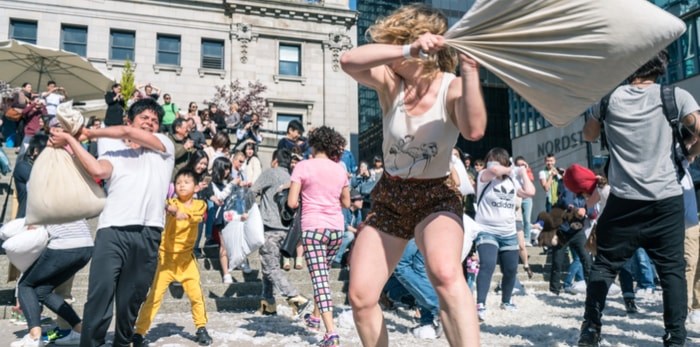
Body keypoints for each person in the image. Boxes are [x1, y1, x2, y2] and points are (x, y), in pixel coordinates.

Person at [339, 4, 486, 346]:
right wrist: (406, 49)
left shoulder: (452, 88)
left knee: (446, 273)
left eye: (396, 45)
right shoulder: (392, 83)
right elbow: (348, 60)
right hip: (390, 197)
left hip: (435, 196)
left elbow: (475, 129)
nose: (390, 57)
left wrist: (470, 68)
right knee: (361, 297)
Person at [578, 50, 698, 347]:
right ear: (660, 68)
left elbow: (589, 136)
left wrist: (598, 115)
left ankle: (590, 329)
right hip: (666, 198)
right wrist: (690, 153)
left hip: (624, 199)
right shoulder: (675, 96)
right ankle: (675, 337)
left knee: (604, 265)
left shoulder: (609, 100)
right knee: (672, 270)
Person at [48, 98, 175, 347]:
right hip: (112, 231)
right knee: (100, 295)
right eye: (144, 118)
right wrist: (73, 140)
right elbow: (98, 170)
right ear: (130, 119)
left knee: (132, 299)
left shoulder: (164, 147)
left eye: (154, 120)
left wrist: (87, 133)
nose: (150, 123)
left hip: (148, 233)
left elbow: (128, 132)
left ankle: (122, 342)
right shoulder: (112, 147)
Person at [132, 169, 212, 347]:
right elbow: (163, 204)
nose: (182, 185)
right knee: (154, 297)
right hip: (166, 259)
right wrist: (171, 209)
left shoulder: (200, 204)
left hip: (186, 260)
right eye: (178, 182)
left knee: (196, 295)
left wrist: (183, 214)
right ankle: (139, 332)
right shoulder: (171, 202)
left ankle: (201, 328)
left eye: (186, 182)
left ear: (196, 186)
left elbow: (197, 217)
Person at [287, 126, 350, 347]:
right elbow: (347, 203)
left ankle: (331, 333)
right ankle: (315, 318)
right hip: (336, 229)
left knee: (320, 279)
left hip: (313, 228)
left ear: (313, 144)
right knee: (322, 274)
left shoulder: (303, 166)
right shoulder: (340, 169)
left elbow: (292, 203)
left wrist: (307, 196)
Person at [473, 147, 535, 321]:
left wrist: (522, 173)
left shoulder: (511, 180)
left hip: (508, 232)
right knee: (488, 264)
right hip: (486, 229)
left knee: (510, 269)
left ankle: (506, 301)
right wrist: (513, 168)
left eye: (497, 161)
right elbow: (493, 170)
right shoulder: (484, 177)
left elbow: (530, 192)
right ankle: (480, 304)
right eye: (490, 160)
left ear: (505, 162)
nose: (493, 164)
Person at [11, 220, 94, 347]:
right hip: (86, 246)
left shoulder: (41, 198)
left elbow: (32, 227)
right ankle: (80, 331)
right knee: (42, 291)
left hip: (64, 245)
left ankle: (34, 337)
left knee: (25, 285)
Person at [249, 148, 309, 316]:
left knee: (271, 268)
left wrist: (249, 212)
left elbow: (252, 192)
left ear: (275, 161)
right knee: (267, 265)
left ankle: (295, 297)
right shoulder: (291, 178)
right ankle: (268, 304)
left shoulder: (271, 173)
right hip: (287, 230)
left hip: (270, 227)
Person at [13, 134, 48, 218]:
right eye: (47, 151)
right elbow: (42, 184)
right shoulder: (23, 166)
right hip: (26, 218)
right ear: (36, 151)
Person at [332, 189, 363, 268]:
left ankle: (349, 261)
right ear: (352, 201)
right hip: (337, 233)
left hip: (346, 235)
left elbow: (359, 225)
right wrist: (357, 231)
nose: (361, 201)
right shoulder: (344, 209)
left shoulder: (358, 212)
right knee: (350, 235)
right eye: (359, 200)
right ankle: (335, 259)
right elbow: (344, 225)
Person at [514, 156, 534, 246]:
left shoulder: (527, 171)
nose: (520, 167)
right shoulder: (513, 173)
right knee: (519, 219)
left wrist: (526, 169)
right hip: (517, 197)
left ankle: (527, 238)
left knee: (527, 219)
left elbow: (531, 180)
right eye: (518, 165)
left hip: (527, 198)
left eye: (522, 164)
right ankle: (519, 238)